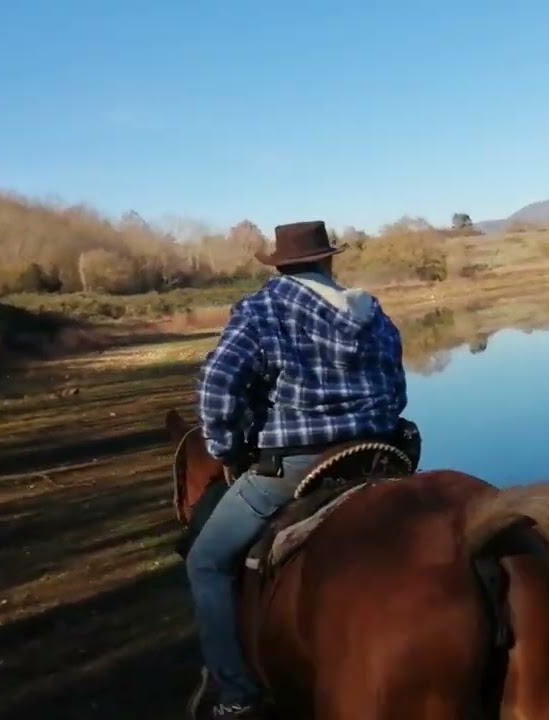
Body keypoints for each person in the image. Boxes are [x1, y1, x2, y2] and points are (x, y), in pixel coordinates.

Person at [187, 220, 409, 719]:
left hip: (295, 465)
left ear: (282, 266)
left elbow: (217, 384)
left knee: (206, 563)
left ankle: (237, 694)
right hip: (378, 455)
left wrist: (226, 448)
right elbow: (396, 389)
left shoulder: (264, 309)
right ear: (327, 260)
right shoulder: (371, 313)